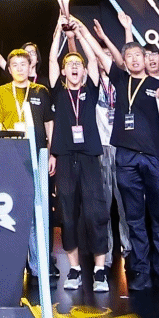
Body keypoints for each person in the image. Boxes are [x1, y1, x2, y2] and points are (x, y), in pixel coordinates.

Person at [90, 14, 159, 295]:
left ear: (146, 58)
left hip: (154, 157)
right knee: (134, 218)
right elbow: (101, 56)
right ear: (125, 61)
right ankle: (141, 270)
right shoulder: (120, 80)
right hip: (126, 158)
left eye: (137, 55)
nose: (133, 59)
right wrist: (92, 35)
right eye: (128, 56)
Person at [47, 28, 111, 295]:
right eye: (70, 64)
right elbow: (52, 60)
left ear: (84, 71)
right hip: (64, 157)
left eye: (78, 64)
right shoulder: (57, 92)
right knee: (68, 214)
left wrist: (80, 33)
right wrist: (58, 34)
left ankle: (99, 270)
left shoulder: (91, 90)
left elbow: (93, 58)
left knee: (96, 213)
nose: (74, 66)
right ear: (63, 72)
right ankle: (74, 269)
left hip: (88, 157)